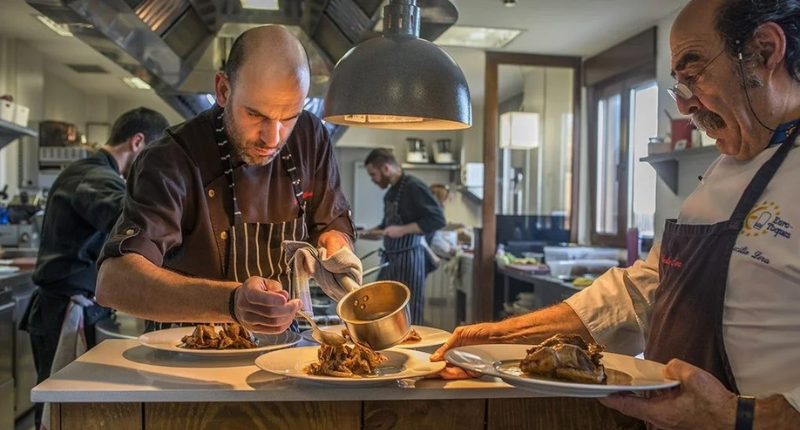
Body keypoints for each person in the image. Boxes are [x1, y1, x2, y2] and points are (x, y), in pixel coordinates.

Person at [432, 1, 800, 429]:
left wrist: (737, 416)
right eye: (679, 85)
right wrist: (498, 339)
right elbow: (647, 290)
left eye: (694, 73)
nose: (685, 106)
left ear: (765, 50)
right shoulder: (724, 168)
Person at [95, 26, 357, 335]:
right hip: (187, 360)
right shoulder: (170, 158)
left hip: (283, 353)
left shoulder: (310, 137)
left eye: (288, 117)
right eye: (256, 115)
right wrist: (231, 302)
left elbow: (330, 222)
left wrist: (337, 248)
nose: (273, 139)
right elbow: (113, 282)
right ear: (223, 90)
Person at [21, 107, 170, 429]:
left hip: (78, 306)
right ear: (137, 142)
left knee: (74, 405)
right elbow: (123, 217)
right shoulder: (92, 176)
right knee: (58, 406)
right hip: (64, 309)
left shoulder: (95, 172)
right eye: (152, 157)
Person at [361, 149, 445, 324]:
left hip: (410, 261)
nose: (373, 180)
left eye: (373, 175)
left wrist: (403, 230)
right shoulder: (391, 194)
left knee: (409, 312)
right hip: (391, 260)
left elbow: (437, 219)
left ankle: (413, 350)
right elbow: (386, 227)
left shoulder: (413, 187)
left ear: (385, 168)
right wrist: (361, 233)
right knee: (378, 306)